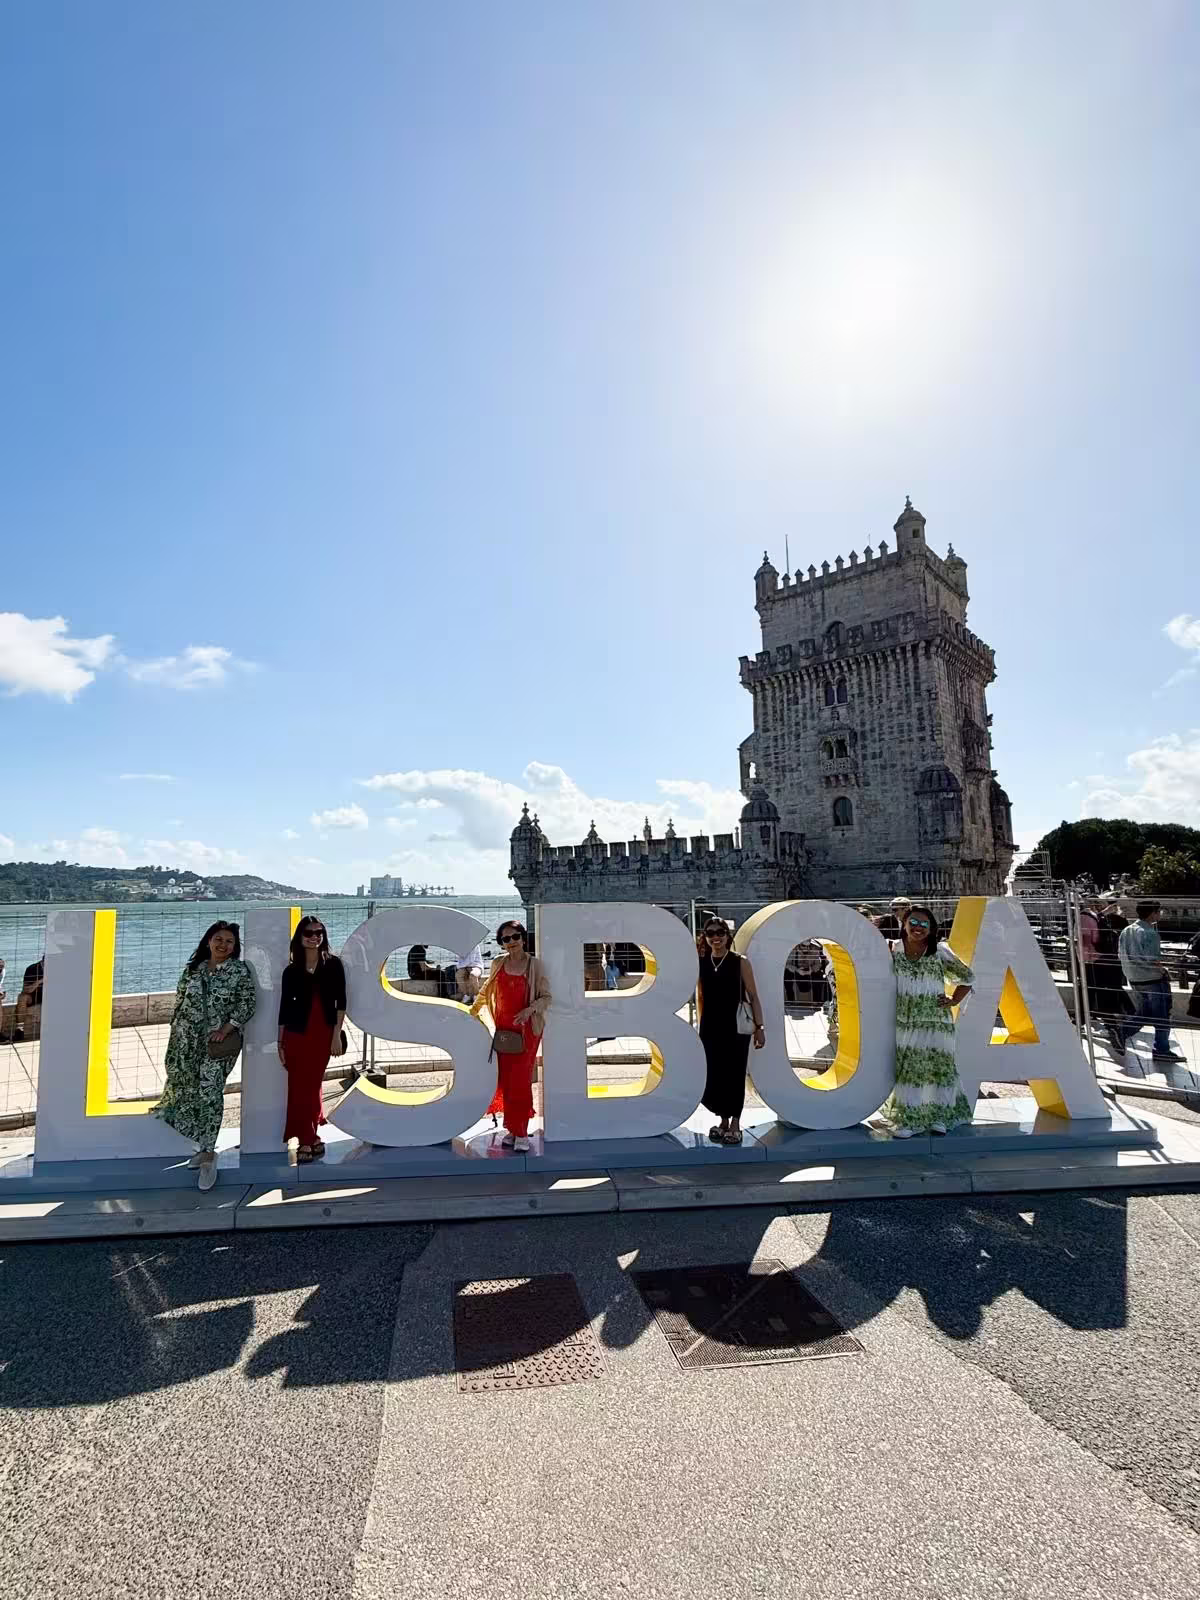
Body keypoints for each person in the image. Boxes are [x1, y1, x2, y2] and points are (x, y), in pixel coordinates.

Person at [152, 922, 256, 1190]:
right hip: (185, 1041)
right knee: (187, 1089)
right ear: (208, 941)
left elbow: (247, 1003)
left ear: (236, 947)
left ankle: (209, 1150)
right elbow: (180, 1000)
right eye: (218, 939)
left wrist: (226, 1028)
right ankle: (201, 1145)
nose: (223, 945)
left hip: (216, 1044)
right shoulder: (193, 970)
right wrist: (176, 1030)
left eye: (229, 941)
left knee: (210, 1092)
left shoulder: (238, 971)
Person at [883, 906, 975, 1138]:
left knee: (939, 1069)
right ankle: (910, 1120)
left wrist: (954, 1000)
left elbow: (968, 978)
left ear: (932, 929)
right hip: (907, 1021)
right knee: (910, 1069)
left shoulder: (939, 952)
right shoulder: (893, 949)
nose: (918, 928)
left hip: (936, 1021)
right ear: (904, 923)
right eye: (913, 922)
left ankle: (940, 1117)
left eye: (925, 925)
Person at [471, 920, 552, 1152]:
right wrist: (474, 1010)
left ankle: (522, 1132)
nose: (511, 942)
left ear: (523, 938)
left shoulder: (534, 965)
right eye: (505, 939)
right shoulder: (498, 963)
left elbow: (547, 997)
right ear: (502, 944)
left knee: (521, 1080)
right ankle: (512, 1128)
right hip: (504, 1029)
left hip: (527, 1030)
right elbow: (487, 989)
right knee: (506, 1080)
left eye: (515, 937)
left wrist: (529, 1010)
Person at [277, 917, 346, 1162]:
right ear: (300, 937)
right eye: (309, 932)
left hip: (323, 1034)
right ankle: (311, 1137)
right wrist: (280, 1042)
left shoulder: (334, 964)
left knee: (310, 1084)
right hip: (295, 1035)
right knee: (300, 1087)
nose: (315, 936)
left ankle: (307, 1137)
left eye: (319, 932)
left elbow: (341, 1003)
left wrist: (336, 1035)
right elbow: (284, 1008)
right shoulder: (291, 971)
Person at [697, 917, 765, 1146]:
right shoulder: (702, 962)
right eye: (710, 933)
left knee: (735, 1073)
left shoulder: (740, 962)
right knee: (715, 1074)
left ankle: (736, 1123)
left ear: (728, 935)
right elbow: (701, 996)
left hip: (736, 1026)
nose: (715, 937)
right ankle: (723, 1121)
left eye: (720, 932)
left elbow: (753, 996)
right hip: (710, 1026)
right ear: (705, 937)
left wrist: (760, 1027)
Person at [1118, 901, 1185, 1063]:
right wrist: (1164, 971)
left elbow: (1120, 954)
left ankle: (1121, 1032)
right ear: (1153, 913)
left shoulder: (1126, 931)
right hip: (1152, 979)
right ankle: (1161, 1049)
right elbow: (1153, 959)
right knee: (1162, 1015)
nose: (1160, 914)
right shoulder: (1150, 932)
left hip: (1134, 978)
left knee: (1145, 1013)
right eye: (1159, 911)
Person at [12, 956, 44, 1041]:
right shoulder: (32, 969)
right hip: (35, 996)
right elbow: (25, 990)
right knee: (21, 997)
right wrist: (40, 981)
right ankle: (19, 1030)